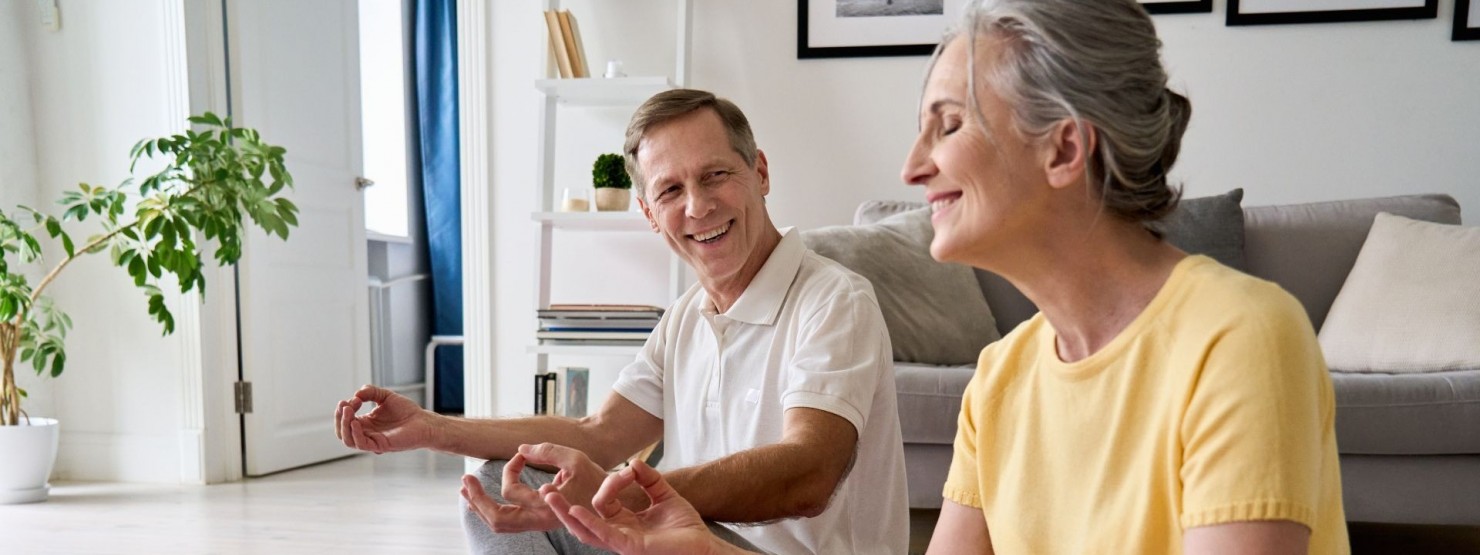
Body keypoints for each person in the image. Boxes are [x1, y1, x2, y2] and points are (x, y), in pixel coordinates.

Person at [540, 0, 1351, 553]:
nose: (913, 166)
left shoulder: (1239, 336)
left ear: (1064, 148)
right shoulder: (1004, 379)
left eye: (948, 125)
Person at [334, 88, 909, 554]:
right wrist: (432, 428)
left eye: (715, 175)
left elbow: (808, 474)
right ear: (650, 215)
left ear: (759, 172)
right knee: (498, 479)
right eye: (671, 190)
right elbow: (598, 435)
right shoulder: (687, 316)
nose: (698, 206)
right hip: (682, 538)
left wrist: (626, 496)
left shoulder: (835, 299)